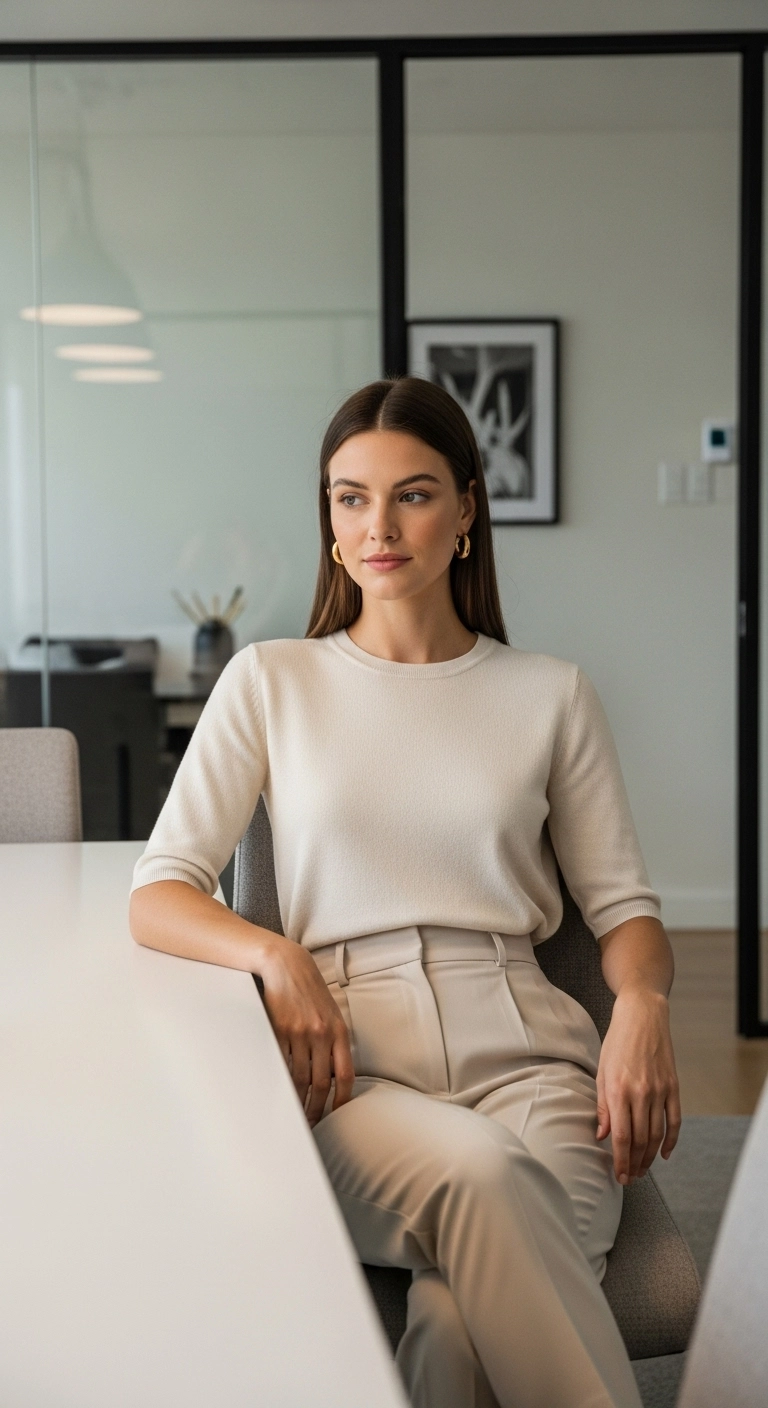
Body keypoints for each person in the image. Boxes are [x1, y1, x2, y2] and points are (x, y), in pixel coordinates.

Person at [130, 376, 681, 1408]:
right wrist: (274, 954)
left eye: (413, 495)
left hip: (535, 1064)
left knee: (456, 1321)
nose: (378, 525)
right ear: (331, 524)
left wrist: (643, 1004)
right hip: (352, 1072)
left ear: (468, 510)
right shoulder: (271, 680)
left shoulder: (550, 692)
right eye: (350, 498)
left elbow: (624, 907)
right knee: (479, 1174)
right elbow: (159, 888)